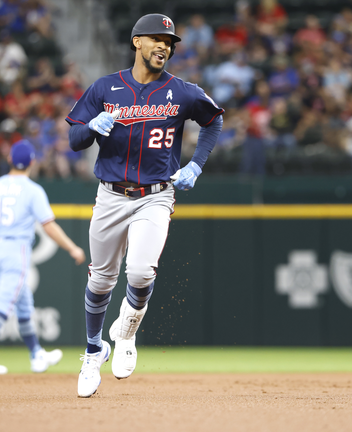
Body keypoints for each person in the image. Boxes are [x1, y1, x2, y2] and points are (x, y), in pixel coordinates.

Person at [65, 14, 224, 398]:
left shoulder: (183, 91)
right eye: (157, 38)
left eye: (169, 42)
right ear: (137, 42)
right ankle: (92, 351)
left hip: (156, 194)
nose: (164, 46)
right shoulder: (106, 87)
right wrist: (91, 128)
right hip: (110, 194)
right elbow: (74, 139)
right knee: (101, 279)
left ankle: (127, 334)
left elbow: (214, 121)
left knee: (138, 272)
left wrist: (197, 165)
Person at [0, 141, 87, 375]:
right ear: (32, 162)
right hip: (18, 250)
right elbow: (49, 227)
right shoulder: (33, 190)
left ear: (10, 160)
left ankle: (36, 354)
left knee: (23, 302)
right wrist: (73, 248)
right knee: (4, 300)